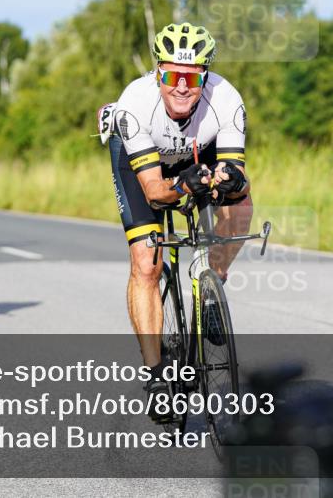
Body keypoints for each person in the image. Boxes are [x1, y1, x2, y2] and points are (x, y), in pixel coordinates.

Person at [105, 22, 252, 410]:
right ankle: (155, 373)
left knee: (243, 203)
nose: (182, 86)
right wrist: (185, 185)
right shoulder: (134, 104)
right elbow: (154, 191)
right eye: (172, 75)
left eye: (192, 76)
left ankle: (211, 286)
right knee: (146, 265)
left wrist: (229, 180)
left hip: (197, 153)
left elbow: (237, 178)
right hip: (142, 163)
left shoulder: (227, 99)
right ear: (158, 74)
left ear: (205, 76)